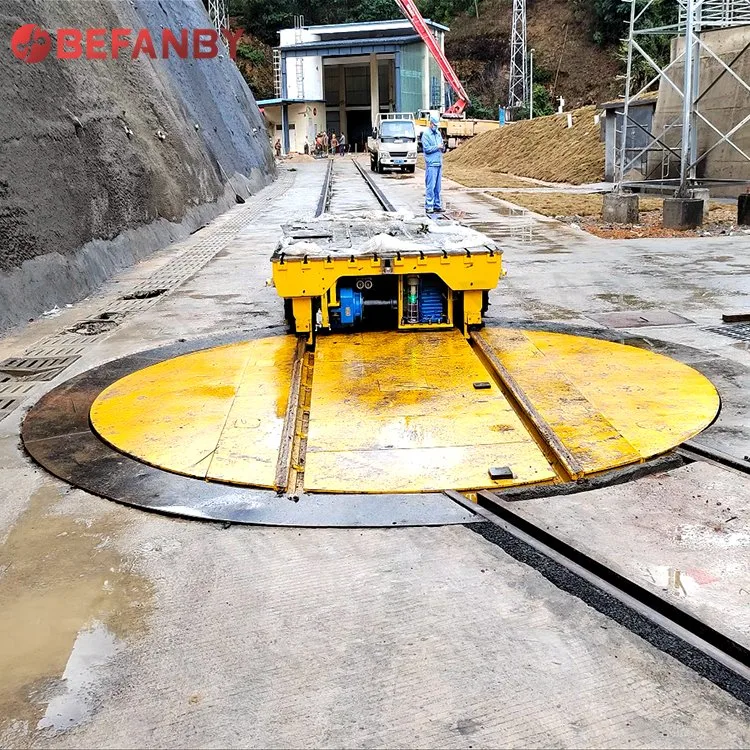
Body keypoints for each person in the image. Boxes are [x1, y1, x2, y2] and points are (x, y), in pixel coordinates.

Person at [421, 115, 444, 214]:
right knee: (431, 186)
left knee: (438, 187)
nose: (436, 127)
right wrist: (437, 147)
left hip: (438, 163)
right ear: (431, 124)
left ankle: (437, 205)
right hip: (431, 164)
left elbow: (441, 144)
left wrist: (442, 147)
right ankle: (429, 205)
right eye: (435, 125)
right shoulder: (426, 135)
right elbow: (426, 149)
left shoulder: (438, 133)